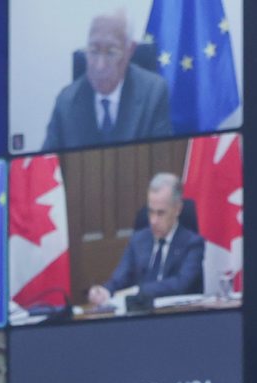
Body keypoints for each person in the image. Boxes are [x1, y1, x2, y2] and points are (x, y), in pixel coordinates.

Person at [41, 10, 172, 151]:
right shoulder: (66, 102)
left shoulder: (153, 93)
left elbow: (164, 156)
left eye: (111, 52)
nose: (100, 66)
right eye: (93, 50)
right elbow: (47, 160)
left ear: (129, 50)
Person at [88, 173, 203, 305]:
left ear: (177, 209)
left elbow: (181, 284)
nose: (153, 221)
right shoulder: (138, 240)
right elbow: (119, 278)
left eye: (160, 213)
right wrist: (105, 291)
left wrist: (139, 291)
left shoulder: (193, 243)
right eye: (151, 212)